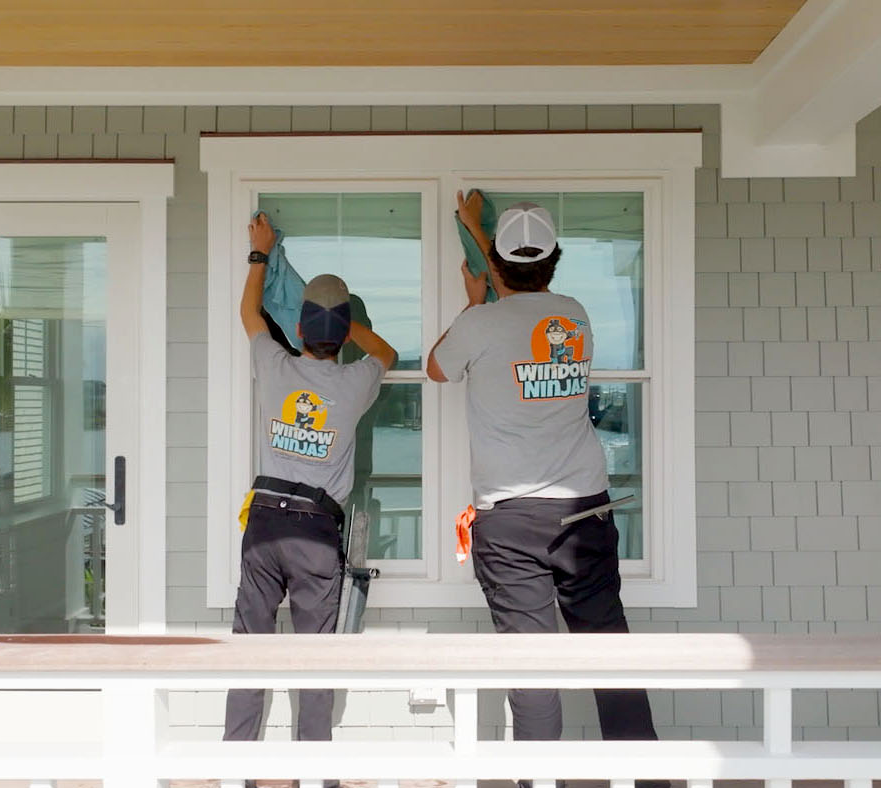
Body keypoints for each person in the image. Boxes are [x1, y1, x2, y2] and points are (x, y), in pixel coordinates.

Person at [427, 193, 659, 747]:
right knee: (610, 655)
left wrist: (472, 298)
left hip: (510, 520)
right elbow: (523, 284)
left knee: (530, 669)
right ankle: (648, 779)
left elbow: (437, 368)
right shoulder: (574, 315)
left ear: (497, 267)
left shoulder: (480, 324)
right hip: (585, 510)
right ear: (554, 261)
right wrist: (481, 239)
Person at [224, 213, 397, 743]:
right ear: (344, 335)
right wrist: (349, 326)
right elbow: (386, 352)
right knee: (316, 659)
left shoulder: (273, 364)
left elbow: (250, 311)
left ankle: (237, 767)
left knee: (250, 650)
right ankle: (314, 768)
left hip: (265, 526)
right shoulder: (352, 383)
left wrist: (260, 252)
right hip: (315, 534)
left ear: (297, 329)